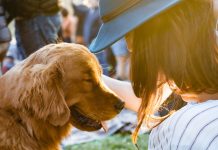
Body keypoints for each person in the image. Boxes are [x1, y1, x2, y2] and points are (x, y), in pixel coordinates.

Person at [90, 0, 218, 149]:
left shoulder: (187, 130)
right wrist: (89, 77)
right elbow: (149, 97)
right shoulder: (202, 56)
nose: (129, 47)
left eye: (129, 34)